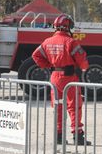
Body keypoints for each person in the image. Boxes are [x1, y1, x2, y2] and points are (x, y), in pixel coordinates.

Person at [32, 14, 91, 145]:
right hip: (69, 78)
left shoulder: (47, 42)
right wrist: (84, 69)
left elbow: (35, 55)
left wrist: (48, 65)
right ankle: (78, 136)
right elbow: (82, 60)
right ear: (67, 26)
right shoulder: (71, 42)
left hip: (54, 78)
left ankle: (59, 137)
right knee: (74, 106)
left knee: (58, 106)